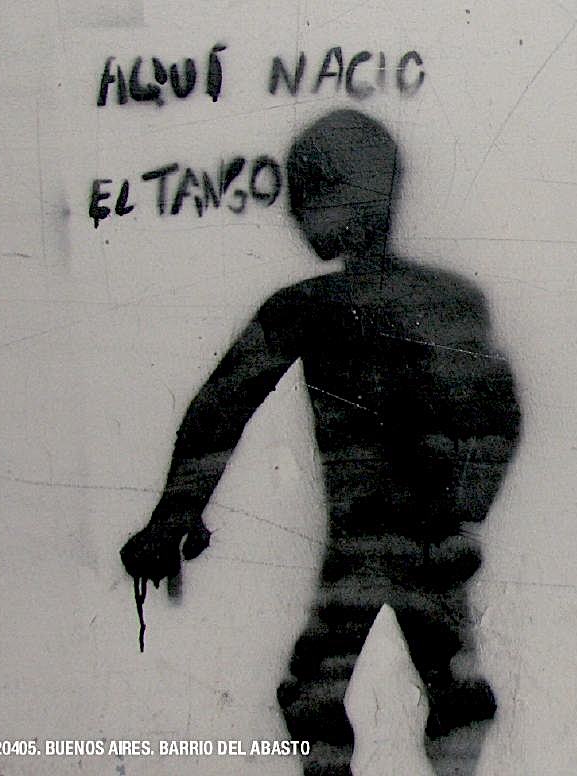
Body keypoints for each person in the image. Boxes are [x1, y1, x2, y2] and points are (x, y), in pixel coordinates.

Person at [120, 109, 521, 775]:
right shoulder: (451, 298)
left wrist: (174, 515)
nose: (293, 213)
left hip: (365, 542)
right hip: (429, 541)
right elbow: (500, 414)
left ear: (349, 200)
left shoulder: (303, 307)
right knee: (447, 692)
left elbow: (220, 410)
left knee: (318, 697)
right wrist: (466, 510)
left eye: (305, 195)